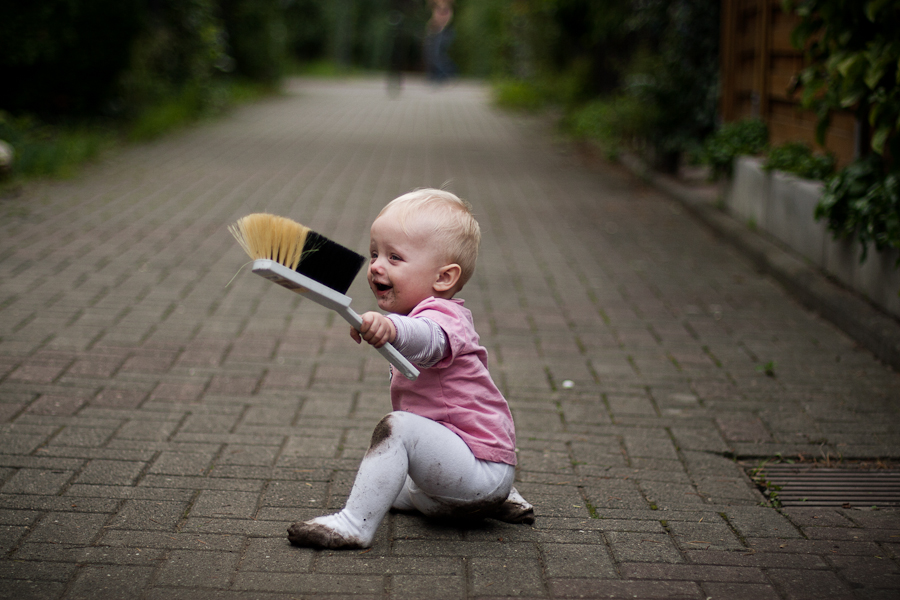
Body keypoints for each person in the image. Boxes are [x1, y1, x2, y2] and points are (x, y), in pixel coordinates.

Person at [287, 188, 534, 550]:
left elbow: (428, 340)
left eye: (395, 257)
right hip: (444, 490)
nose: (375, 266)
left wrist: (392, 328)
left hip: (477, 470)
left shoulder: (446, 319)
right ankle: (497, 500)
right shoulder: (413, 317)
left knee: (397, 429)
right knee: (385, 476)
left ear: (444, 278)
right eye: (374, 253)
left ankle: (355, 524)